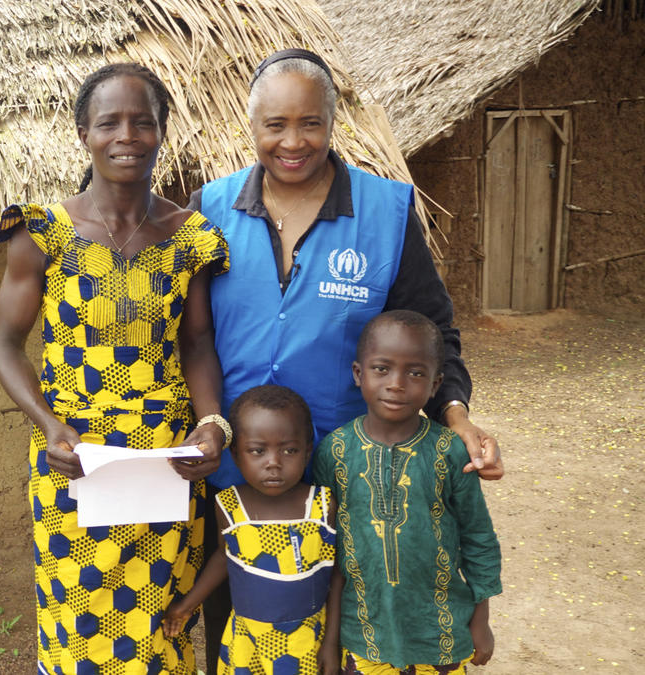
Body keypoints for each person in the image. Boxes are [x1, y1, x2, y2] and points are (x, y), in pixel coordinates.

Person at [188, 48, 505, 666]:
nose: (293, 142)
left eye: (310, 123)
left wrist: (458, 415)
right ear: (250, 126)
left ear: (334, 123)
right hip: (237, 473)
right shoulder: (210, 211)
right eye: (275, 125)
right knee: (241, 628)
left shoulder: (385, 213)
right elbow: (189, 335)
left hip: (348, 480)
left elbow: (433, 330)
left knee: (348, 636)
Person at [0, 62, 232, 674]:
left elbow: (197, 344)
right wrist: (49, 425)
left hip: (165, 458)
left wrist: (211, 424)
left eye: (142, 122)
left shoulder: (190, 237)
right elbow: (6, 345)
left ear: (161, 132)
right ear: (84, 135)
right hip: (74, 456)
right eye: (109, 123)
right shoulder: (44, 233)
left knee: (160, 622)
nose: (127, 136)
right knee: (79, 623)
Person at [315, 310, 502, 673]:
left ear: (435, 384)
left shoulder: (449, 451)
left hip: (441, 634)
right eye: (381, 369)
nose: (397, 384)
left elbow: (477, 535)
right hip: (363, 635)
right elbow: (330, 554)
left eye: (415, 373)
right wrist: (331, 639)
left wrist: (481, 620)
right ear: (358, 373)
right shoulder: (335, 451)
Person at [162, 385, 339, 674]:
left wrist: (331, 642)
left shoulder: (321, 504)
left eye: (289, 450)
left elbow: (336, 574)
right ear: (235, 454)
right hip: (246, 643)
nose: (273, 463)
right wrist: (187, 605)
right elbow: (224, 556)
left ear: (308, 451)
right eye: (258, 451)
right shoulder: (230, 505)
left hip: (307, 643)